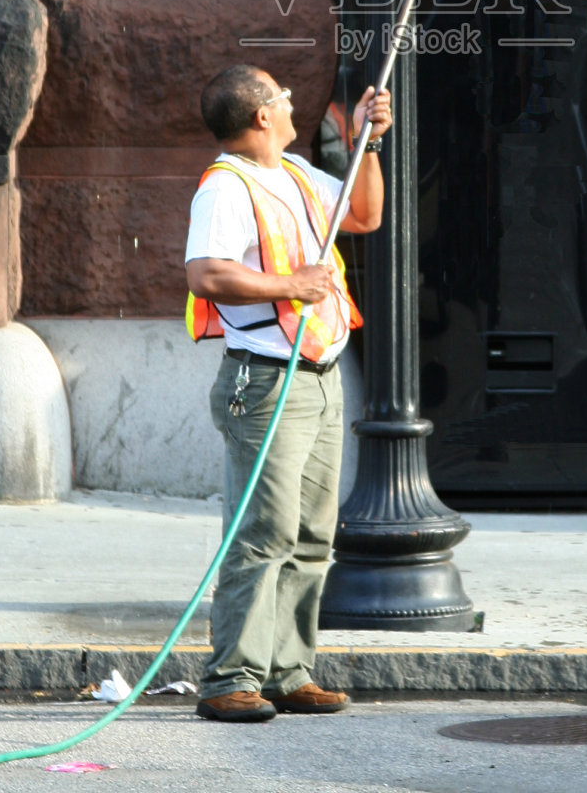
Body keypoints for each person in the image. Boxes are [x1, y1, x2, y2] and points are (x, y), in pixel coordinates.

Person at [185, 63, 392, 723]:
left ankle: (287, 671)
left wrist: (366, 143)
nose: (292, 102)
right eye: (282, 96)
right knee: (262, 532)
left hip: (320, 376)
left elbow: (364, 214)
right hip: (267, 382)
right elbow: (205, 274)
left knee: (310, 535)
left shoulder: (297, 173)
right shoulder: (227, 186)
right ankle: (230, 679)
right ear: (262, 116)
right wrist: (289, 286)